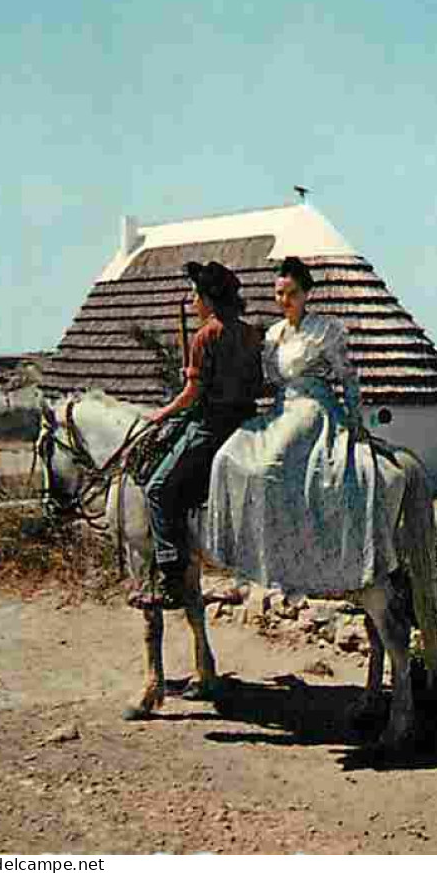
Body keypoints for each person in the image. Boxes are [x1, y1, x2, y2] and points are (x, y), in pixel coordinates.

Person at [204, 256, 403, 596]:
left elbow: (347, 379)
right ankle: (255, 557)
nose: (284, 301)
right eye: (279, 294)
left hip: (314, 408)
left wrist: (354, 421)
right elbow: (268, 382)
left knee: (268, 467)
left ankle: (300, 562)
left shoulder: (324, 330)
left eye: (291, 293)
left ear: (306, 294)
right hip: (281, 407)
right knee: (227, 457)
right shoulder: (273, 335)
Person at [130, 260, 263, 610]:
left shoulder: (206, 334)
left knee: (157, 489)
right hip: (247, 425)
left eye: (195, 294)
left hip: (212, 426)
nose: (192, 301)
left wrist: (160, 414)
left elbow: (190, 395)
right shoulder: (251, 333)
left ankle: (171, 579)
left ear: (209, 298)